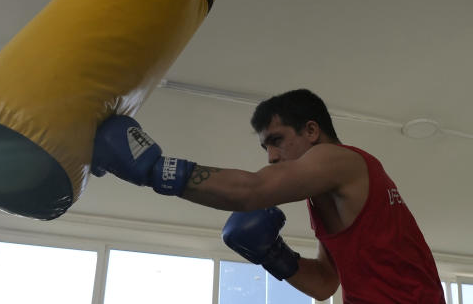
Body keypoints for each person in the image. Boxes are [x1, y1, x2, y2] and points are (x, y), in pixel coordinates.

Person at [92, 88, 444, 303]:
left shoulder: (339, 160)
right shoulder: (324, 197)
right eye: (265, 147)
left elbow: (251, 192)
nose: (271, 156)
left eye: (276, 140)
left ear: (311, 130)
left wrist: (156, 169)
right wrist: (273, 255)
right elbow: (325, 283)